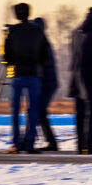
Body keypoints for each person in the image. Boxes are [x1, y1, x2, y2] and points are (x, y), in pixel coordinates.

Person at [0, 2, 50, 154]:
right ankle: (29, 143)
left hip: (16, 74)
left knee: (15, 110)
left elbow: (5, 54)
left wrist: (8, 65)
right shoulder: (37, 31)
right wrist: (38, 64)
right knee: (32, 110)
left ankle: (15, 143)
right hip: (34, 74)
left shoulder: (11, 31)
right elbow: (45, 53)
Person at [69, 6, 92, 154]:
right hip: (91, 75)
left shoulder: (77, 31)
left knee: (80, 112)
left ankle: (80, 145)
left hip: (76, 75)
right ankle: (90, 144)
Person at [32, 18, 60, 152]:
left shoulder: (41, 43)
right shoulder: (43, 41)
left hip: (46, 83)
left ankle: (50, 142)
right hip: (48, 83)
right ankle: (51, 142)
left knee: (38, 111)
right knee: (40, 112)